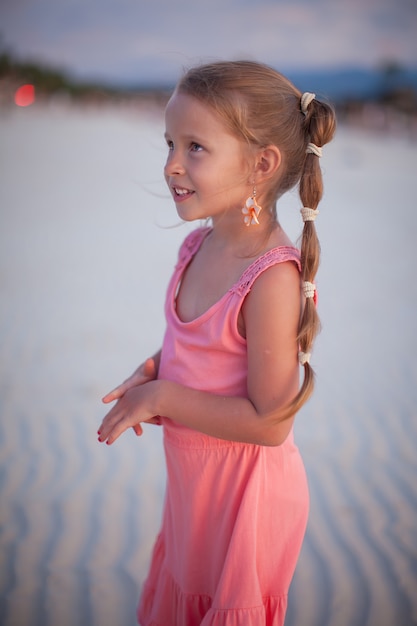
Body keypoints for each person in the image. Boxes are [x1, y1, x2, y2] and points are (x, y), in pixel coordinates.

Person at [98, 60, 336, 625]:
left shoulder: (271, 278)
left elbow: (272, 423)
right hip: (195, 497)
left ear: (261, 164)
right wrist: (153, 372)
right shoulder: (196, 249)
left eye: (195, 148)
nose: (171, 165)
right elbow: (195, 354)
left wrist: (162, 399)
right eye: (169, 143)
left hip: (244, 502)